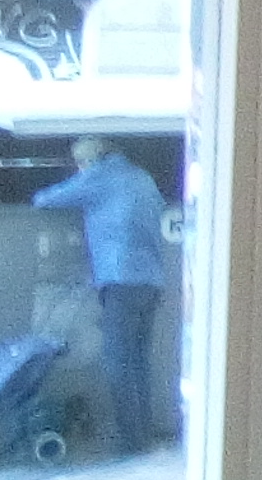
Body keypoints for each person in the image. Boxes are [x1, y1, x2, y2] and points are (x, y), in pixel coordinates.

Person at [33, 135, 168, 455]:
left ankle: (130, 442)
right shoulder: (143, 178)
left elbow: (45, 199)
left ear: (90, 160)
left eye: (80, 163)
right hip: (151, 280)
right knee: (139, 361)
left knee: (118, 362)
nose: (79, 169)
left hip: (119, 278)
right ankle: (143, 434)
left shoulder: (99, 177)